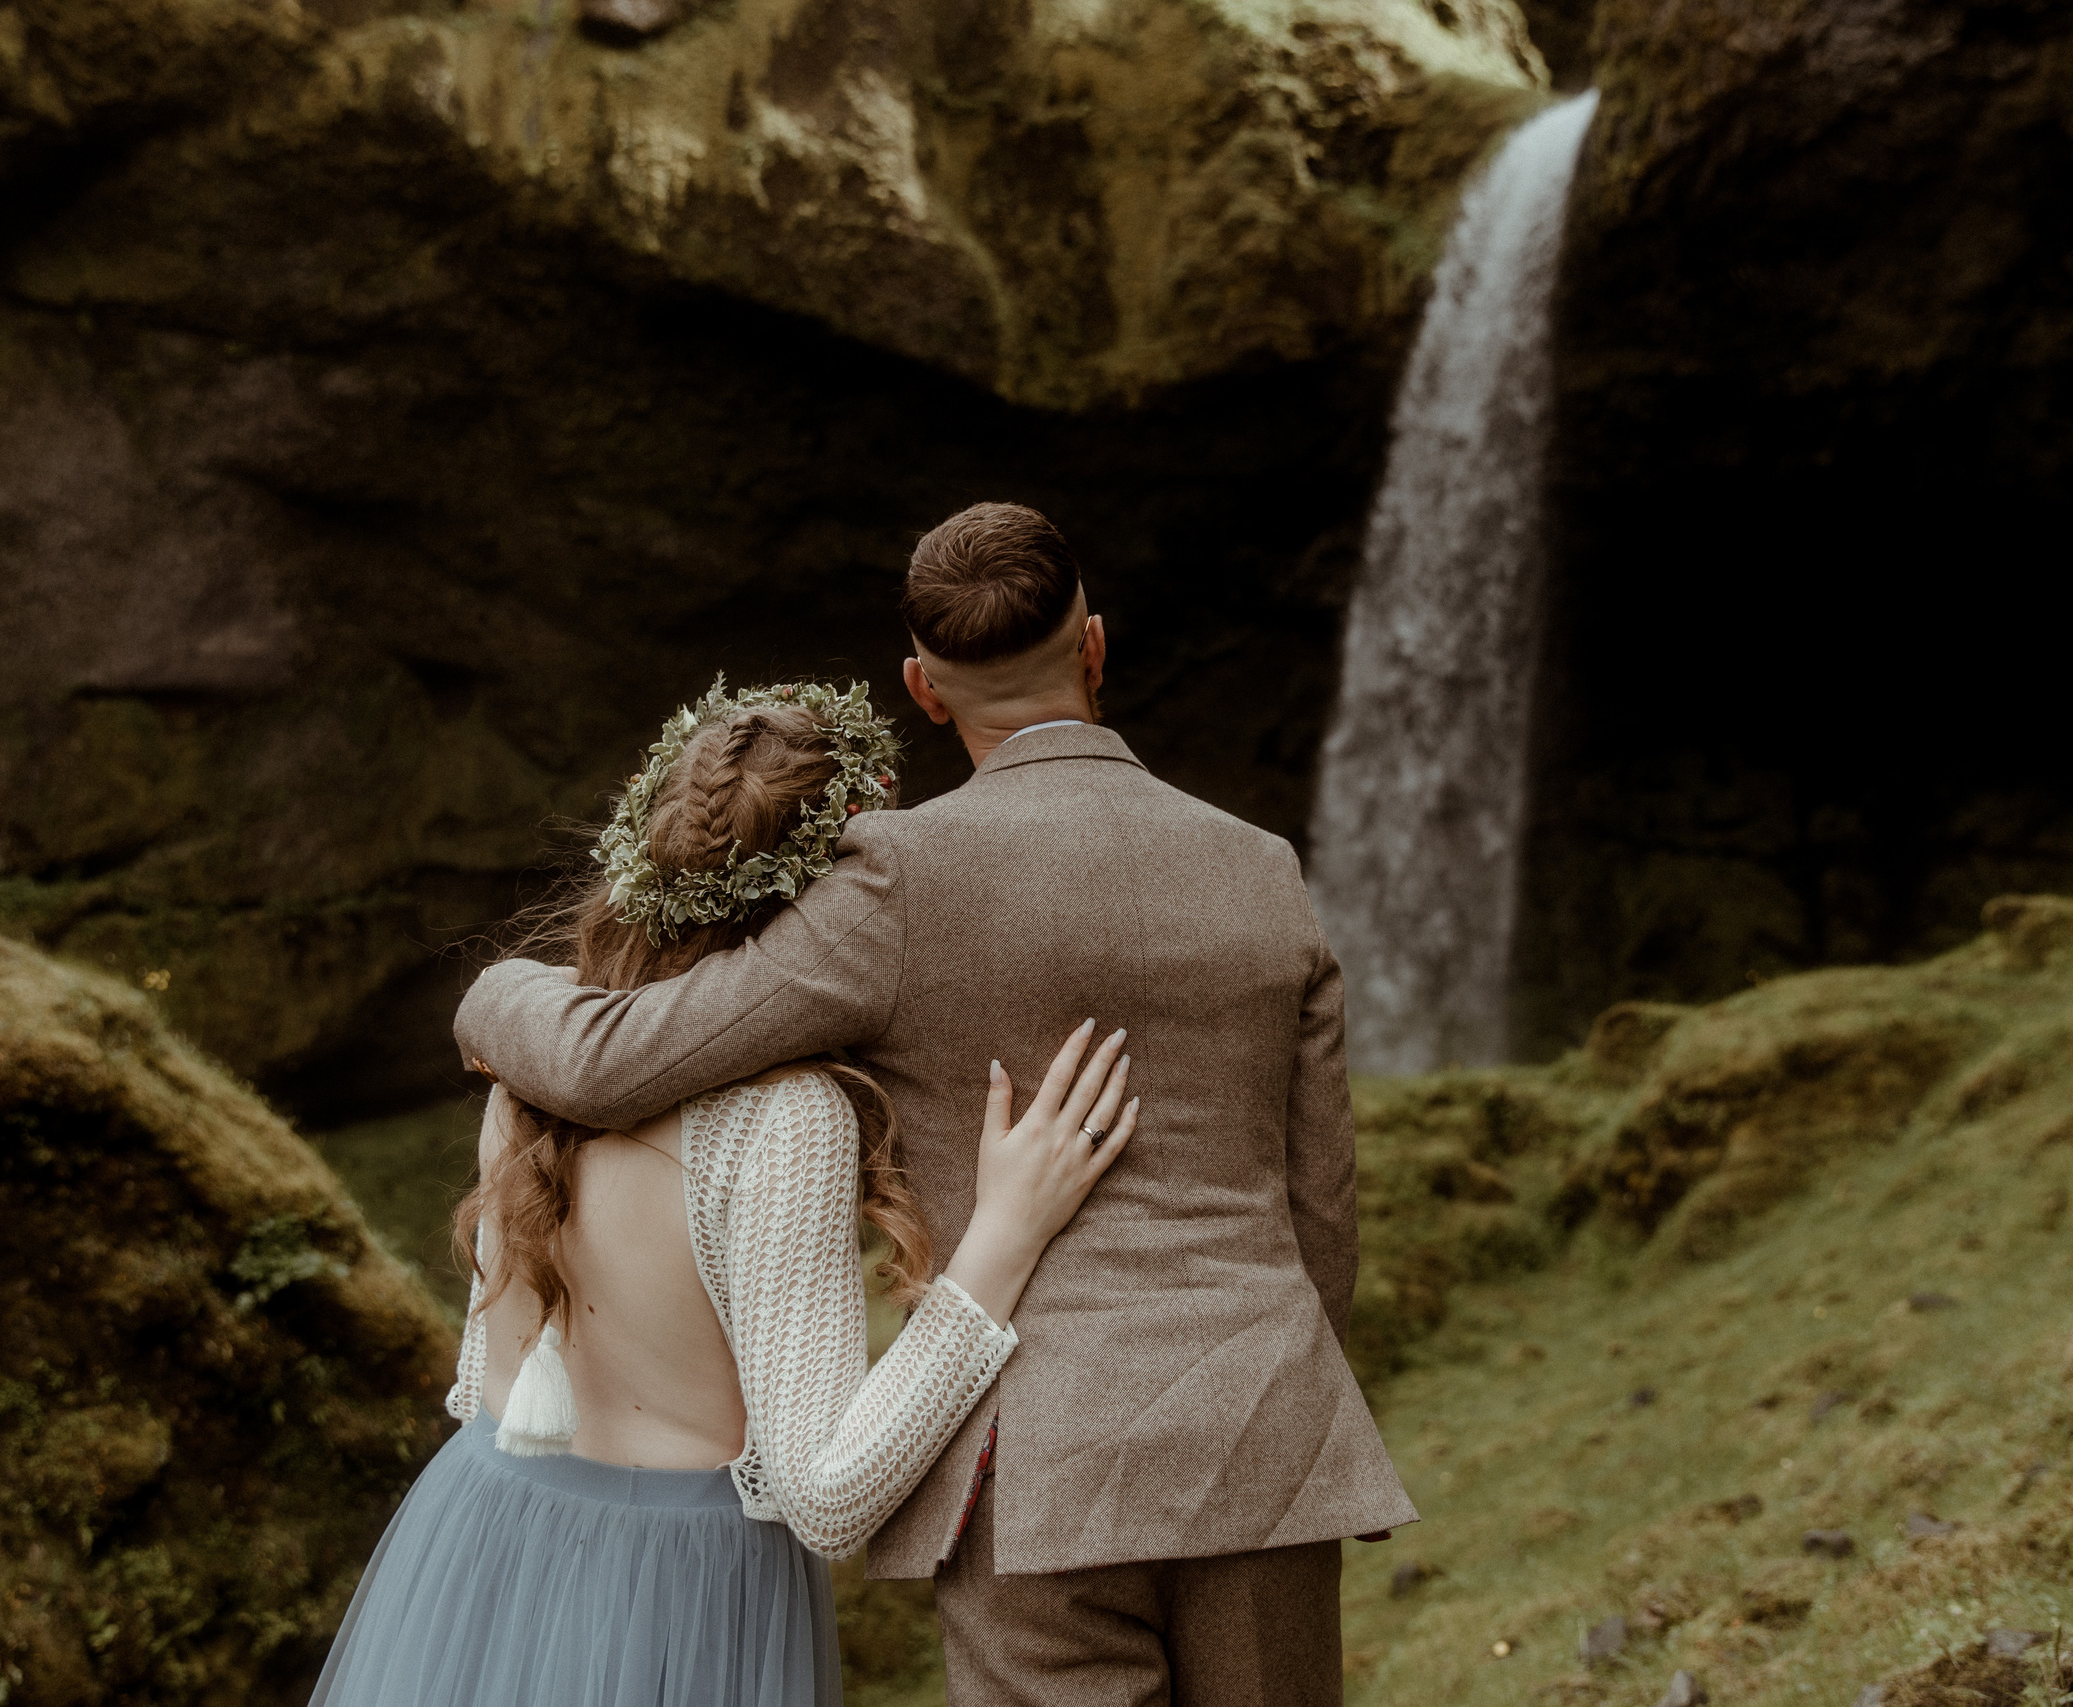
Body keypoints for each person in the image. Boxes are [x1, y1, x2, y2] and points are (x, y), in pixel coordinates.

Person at [455, 503, 1418, 1707]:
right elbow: (1320, 1206)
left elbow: (613, 1066)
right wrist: (1268, 1387)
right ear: (1098, 647)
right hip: (1263, 1431)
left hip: (1031, 1463)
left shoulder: (893, 881)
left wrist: (494, 995)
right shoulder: (1266, 868)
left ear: (921, 689)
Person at [309, 677, 1140, 1707]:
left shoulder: (534, 1051)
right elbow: (826, 1497)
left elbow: (486, 1366)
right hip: (677, 1595)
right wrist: (1005, 1236)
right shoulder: (779, 1119)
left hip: (480, 1533)